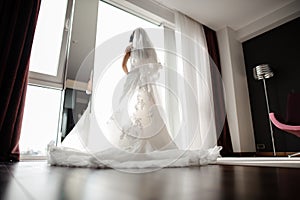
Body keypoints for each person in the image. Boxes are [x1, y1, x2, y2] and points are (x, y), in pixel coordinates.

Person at [107, 27, 177, 153]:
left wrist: (130, 73)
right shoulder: (149, 50)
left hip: (132, 79)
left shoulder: (130, 49)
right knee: (147, 106)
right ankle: (151, 136)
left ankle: (129, 139)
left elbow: (123, 65)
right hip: (144, 80)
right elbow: (155, 65)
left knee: (127, 106)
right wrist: (146, 73)